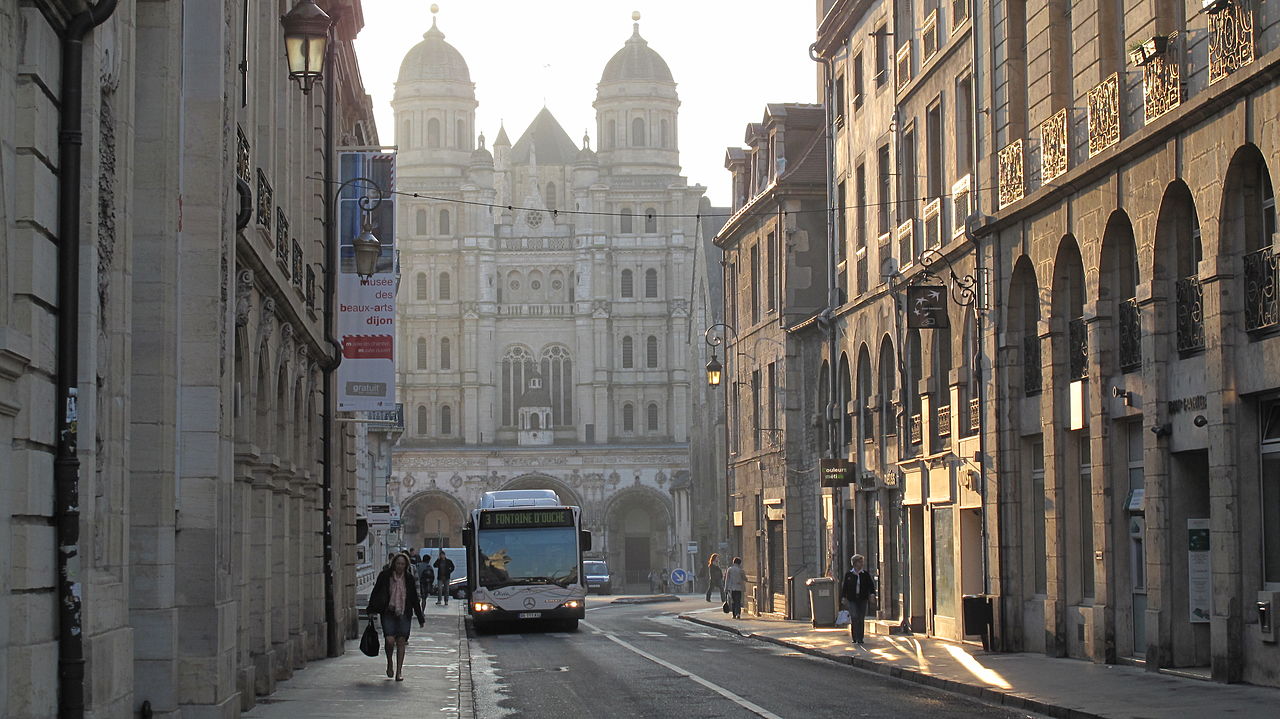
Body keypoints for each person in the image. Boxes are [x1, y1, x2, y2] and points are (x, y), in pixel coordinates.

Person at [366, 552, 426, 681]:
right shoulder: (385, 576)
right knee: (389, 640)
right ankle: (389, 662)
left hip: (404, 613)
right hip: (388, 612)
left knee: (401, 641)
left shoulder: (408, 578)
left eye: (403, 564)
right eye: (398, 563)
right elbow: (376, 592)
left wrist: (420, 617)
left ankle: (399, 671)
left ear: (406, 565)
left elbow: (414, 599)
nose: (400, 566)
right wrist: (371, 609)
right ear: (394, 564)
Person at [841, 554, 876, 644]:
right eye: (860, 562)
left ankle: (860, 638)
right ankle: (854, 637)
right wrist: (843, 597)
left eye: (862, 562)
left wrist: (872, 594)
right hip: (852, 599)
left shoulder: (865, 574)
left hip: (862, 598)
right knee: (854, 617)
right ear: (855, 563)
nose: (862, 564)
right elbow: (845, 587)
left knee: (861, 618)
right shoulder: (849, 575)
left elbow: (871, 586)